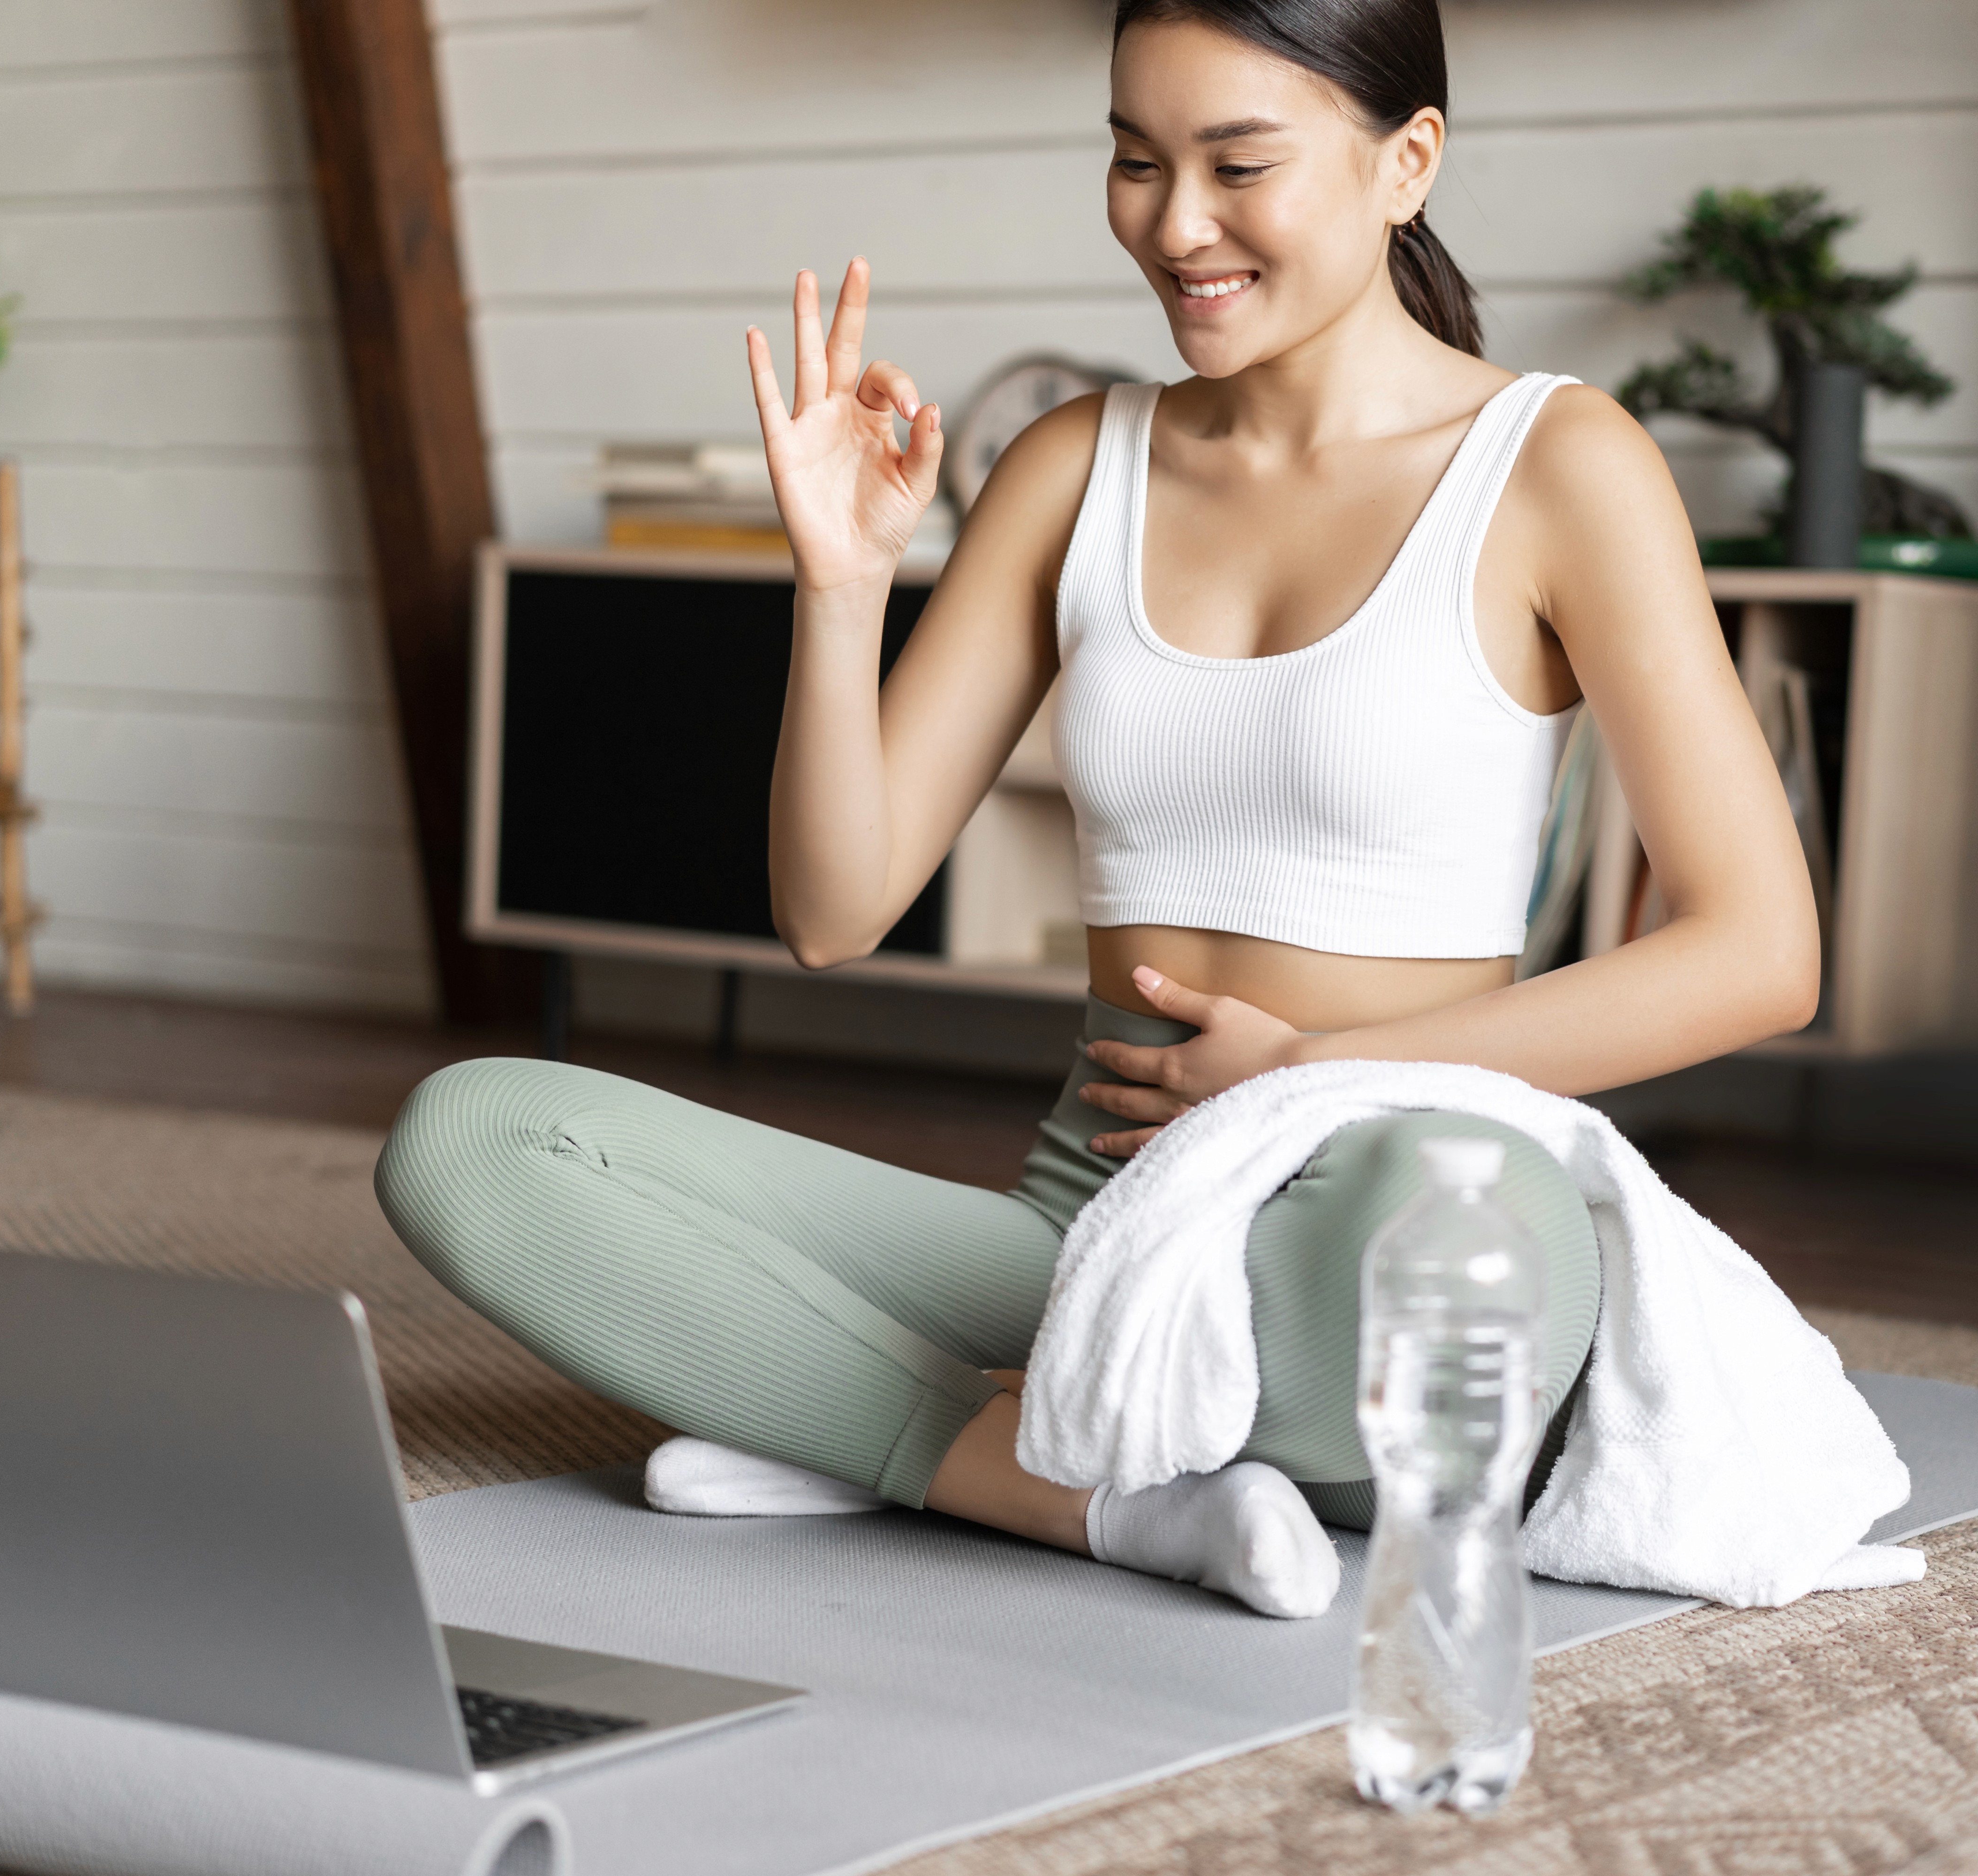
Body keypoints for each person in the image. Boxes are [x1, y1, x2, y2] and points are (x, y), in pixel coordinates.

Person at [376, 0, 1819, 1619]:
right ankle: (1065, 1484)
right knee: (477, 1142)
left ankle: (888, 1426)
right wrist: (844, 587)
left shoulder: (1556, 463)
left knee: (1483, 1271)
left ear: (1406, 161)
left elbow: (1761, 950)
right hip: (1098, 1230)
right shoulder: (1075, 466)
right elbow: (832, 911)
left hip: (1388, 1206)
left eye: (1238, 164)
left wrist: (1316, 1072)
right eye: (1135, 160)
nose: (1174, 223)